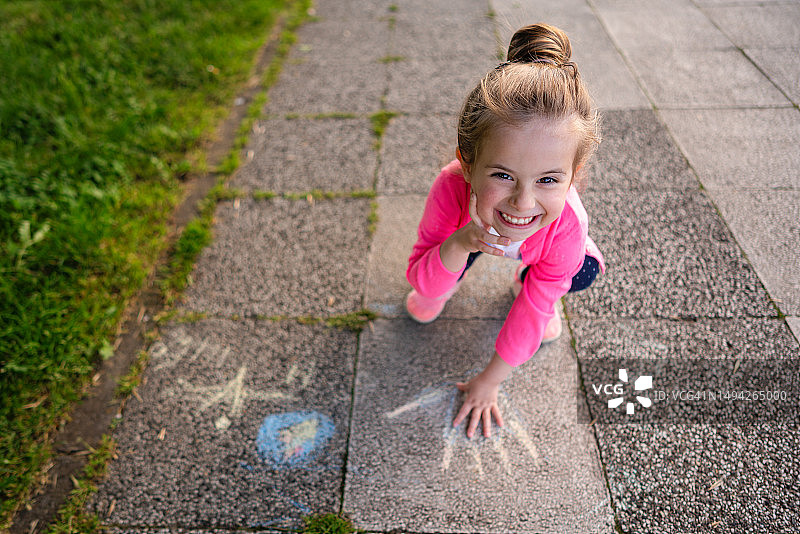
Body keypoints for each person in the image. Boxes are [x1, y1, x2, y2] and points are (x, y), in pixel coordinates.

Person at [405, 23, 605, 439]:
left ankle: (520, 277)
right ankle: (460, 264)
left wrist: (491, 379)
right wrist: (460, 243)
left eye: (549, 180)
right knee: (427, 290)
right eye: (502, 174)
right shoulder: (451, 186)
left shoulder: (567, 223)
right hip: (478, 231)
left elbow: (533, 311)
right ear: (467, 163)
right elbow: (418, 271)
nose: (523, 202)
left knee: (580, 272)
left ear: (574, 177)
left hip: (543, 253)